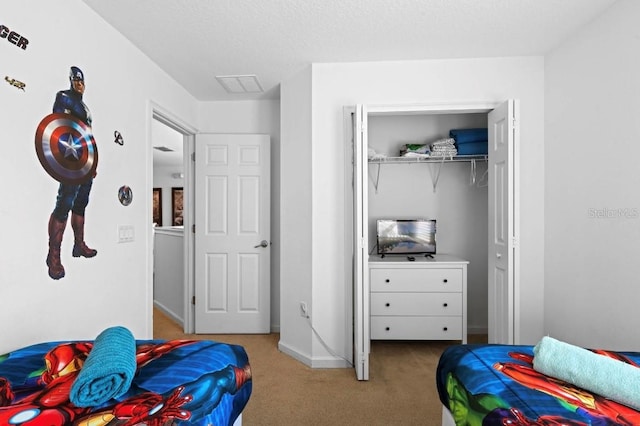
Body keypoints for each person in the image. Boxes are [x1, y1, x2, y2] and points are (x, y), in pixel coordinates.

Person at [46, 66, 97, 280]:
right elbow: (58, 125)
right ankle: (53, 256)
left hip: (86, 160)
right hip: (69, 159)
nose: (80, 84)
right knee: (63, 205)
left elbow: (88, 136)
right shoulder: (64, 97)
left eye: (82, 81)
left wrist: (92, 163)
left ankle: (78, 245)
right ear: (71, 80)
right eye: (76, 80)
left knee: (80, 204)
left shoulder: (84, 107)